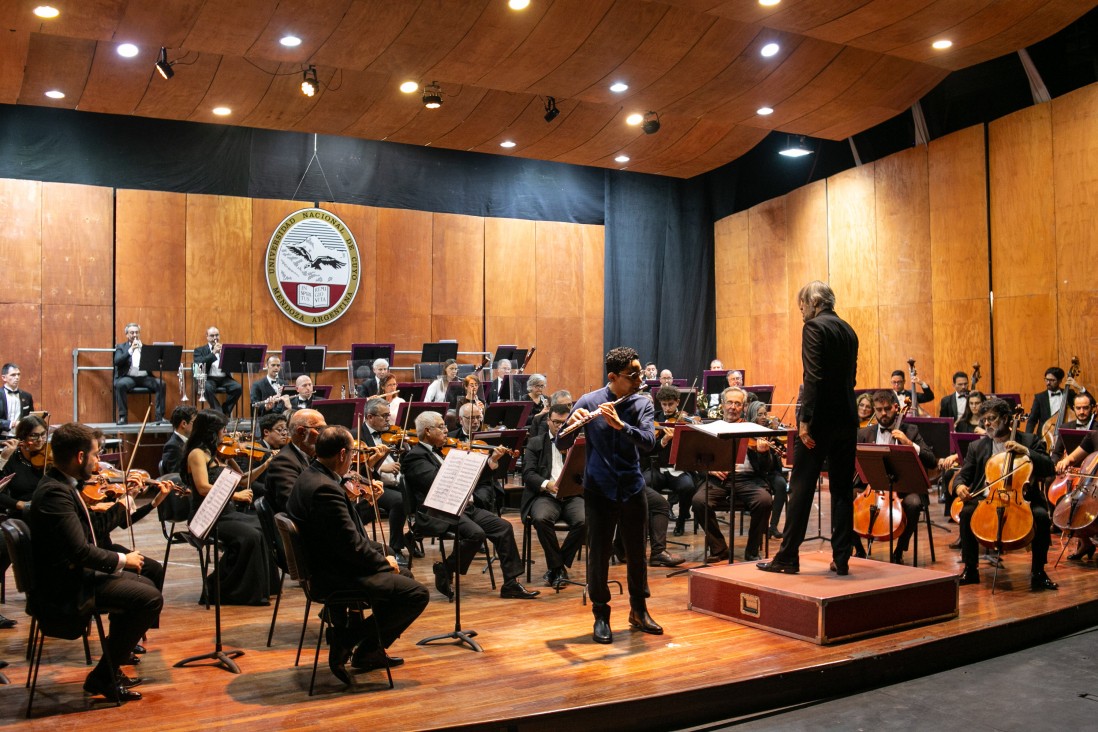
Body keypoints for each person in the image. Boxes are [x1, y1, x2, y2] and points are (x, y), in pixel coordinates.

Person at [27, 422, 162, 702]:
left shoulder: (63, 485)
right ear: (80, 457)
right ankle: (103, 676)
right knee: (149, 597)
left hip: (73, 576)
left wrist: (126, 501)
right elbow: (80, 550)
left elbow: (91, 529)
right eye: (96, 454)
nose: (99, 461)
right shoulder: (55, 493)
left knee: (147, 581)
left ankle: (110, 669)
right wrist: (122, 559)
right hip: (65, 588)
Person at [287, 425, 429, 685]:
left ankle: (369, 651)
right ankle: (347, 639)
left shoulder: (313, 475)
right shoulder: (324, 489)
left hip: (326, 562)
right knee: (416, 594)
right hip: (333, 574)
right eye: (352, 453)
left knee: (403, 575)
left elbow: (338, 533)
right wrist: (383, 562)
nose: (354, 459)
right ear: (342, 454)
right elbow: (351, 546)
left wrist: (385, 557)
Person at [557, 346, 661, 644]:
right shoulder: (590, 401)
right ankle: (601, 615)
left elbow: (649, 443)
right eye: (633, 374)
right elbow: (559, 442)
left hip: (632, 487)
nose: (640, 378)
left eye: (640, 372)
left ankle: (639, 611)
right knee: (599, 555)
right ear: (613, 376)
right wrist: (571, 425)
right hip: (599, 489)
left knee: (637, 553)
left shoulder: (641, 403)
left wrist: (621, 426)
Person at [759, 281, 858, 576]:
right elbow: (850, 379)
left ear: (814, 303)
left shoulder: (814, 328)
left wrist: (805, 421)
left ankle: (787, 557)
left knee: (801, 486)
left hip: (820, 421)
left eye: (801, 305)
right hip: (847, 418)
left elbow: (813, 376)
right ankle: (842, 558)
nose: (801, 311)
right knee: (842, 488)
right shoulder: (848, 329)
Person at [401, 410, 538, 601]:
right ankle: (447, 568)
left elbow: (470, 481)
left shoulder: (444, 451)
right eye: (441, 427)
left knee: (503, 527)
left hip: (464, 507)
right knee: (476, 534)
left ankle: (510, 584)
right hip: (439, 511)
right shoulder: (415, 457)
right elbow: (437, 483)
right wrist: (458, 463)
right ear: (427, 431)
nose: (446, 430)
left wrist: (491, 461)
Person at [954, 398, 1057, 591]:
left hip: (1021, 499)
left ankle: (1038, 572)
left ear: (1006, 419)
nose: (987, 423)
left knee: (1042, 517)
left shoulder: (1029, 440)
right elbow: (963, 476)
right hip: (988, 498)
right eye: (984, 420)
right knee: (967, 511)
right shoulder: (978, 447)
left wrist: (1026, 451)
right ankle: (970, 569)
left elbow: (1049, 468)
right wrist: (960, 487)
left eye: (991, 418)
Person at [182, 409, 275, 605]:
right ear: (211, 431)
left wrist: (266, 464)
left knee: (263, 525)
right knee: (250, 535)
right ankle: (220, 586)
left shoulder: (219, 453)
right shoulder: (197, 454)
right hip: (208, 515)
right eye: (223, 429)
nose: (226, 433)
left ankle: (264, 587)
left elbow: (243, 480)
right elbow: (202, 487)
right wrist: (235, 495)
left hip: (227, 512)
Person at [853, 390, 937, 565]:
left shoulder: (911, 431)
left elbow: (931, 461)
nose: (883, 414)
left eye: (887, 409)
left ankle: (899, 550)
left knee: (914, 504)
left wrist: (909, 443)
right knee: (843, 498)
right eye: (879, 410)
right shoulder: (864, 434)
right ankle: (858, 550)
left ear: (896, 407)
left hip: (903, 489)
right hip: (872, 487)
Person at [692, 387, 774, 563]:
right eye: (729, 402)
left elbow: (766, 468)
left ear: (744, 407)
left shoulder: (753, 429)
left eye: (737, 403)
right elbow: (696, 459)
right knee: (699, 502)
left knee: (764, 501)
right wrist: (709, 469)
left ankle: (752, 550)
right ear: (722, 405)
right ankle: (719, 548)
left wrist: (763, 453)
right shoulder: (711, 428)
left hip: (748, 479)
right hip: (719, 479)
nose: (733, 407)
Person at [522, 404, 586, 588]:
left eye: (563, 423)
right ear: (548, 421)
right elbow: (528, 473)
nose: (559, 426)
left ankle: (557, 567)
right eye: (556, 422)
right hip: (545, 495)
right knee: (541, 519)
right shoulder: (535, 442)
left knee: (585, 520)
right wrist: (547, 484)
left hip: (572, 495)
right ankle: (559, 568)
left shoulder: (577, 443)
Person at [360, 397, 409, 562]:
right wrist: (379, 469)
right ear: (369, 417)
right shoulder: (357, 435)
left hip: (398, 482)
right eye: (384, 416)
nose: (388, 419)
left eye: (389, 415)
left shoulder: (393, 434)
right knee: (399, 501)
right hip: (374, 485)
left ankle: (412, 537)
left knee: (424, 495)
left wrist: (406, 448)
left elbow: (405, 459)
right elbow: (355, 470)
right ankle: (396, 548)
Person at [649, 385, 697, 537]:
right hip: (659, 469)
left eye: (670, 404)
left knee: (688, 487)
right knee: (643, 484)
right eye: (664, 404)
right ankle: (650, 524)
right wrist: (663, 440)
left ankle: (681, 520)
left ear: (677, 402)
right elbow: (650, 448)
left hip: (679, 469)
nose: (667, 408)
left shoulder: (685, 420)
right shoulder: (654, 420)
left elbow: (694, 446)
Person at [264, 408, 326, 514]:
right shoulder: (283, 462)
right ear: (301, 432)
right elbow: (292, 505)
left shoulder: (313, 456)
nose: (325, 434)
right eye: (319, 429)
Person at [113, 323, 166, 424]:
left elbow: (154, 364)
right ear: (127, 335)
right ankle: (123, 417)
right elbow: (117, 361)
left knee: (161, 384)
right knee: (120, 385)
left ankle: (159, 417)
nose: (134, 335)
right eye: (132, 332)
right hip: (129, 377)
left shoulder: (145, 347)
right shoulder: (121, 347)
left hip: (144, 378)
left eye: (136, 332)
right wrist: (130, 350)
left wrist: (144, 351)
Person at [0, 414, 48, 518]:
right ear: (22, 437)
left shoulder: (50, 455)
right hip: (23, 514)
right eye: (34, 435)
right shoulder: (12, 459)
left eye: (43, 434)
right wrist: (20, 504)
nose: (40, 440)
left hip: (50, 508)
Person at [191, 326, 242, 416]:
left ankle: (225, 410)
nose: (215, 338)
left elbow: (232, 364)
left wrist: (226, 354)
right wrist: (213, 353)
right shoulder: (199, 350)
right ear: (207, 337)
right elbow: (199, 364)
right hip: (209, 378)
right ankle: (218, 412)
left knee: (238, 387)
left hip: (224, 378)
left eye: (217, 335)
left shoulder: (224, 349)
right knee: (206, 388)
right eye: (212, 336)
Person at [1025, 366, 1083, 434]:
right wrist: (1028, 439)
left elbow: (1091, 402)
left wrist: (1079, 388)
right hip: (1045, 437)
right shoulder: (1039, 398)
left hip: (1066, 435)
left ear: (1060, 381)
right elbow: (1032, 420)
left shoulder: (1069, 394)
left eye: (1052, 380)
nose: (1048, 383)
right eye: (1046, 379)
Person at [248, 412, 289, 504]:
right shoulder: (253, 450)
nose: (285, 433)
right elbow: (250, 482)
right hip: (260, 501)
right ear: (266, 432)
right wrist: (274, 490)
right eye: (280, 430)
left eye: (286, 430)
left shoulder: (282, 448)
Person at [250, 354, 292, 419]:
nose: (276, 368)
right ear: (266, 366)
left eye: (278, 365)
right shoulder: (257, 385)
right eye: (273, 365)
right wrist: (266, 407)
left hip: (283, 418)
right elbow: (254, 405)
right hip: (266, 419)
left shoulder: (285, 383)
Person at [159, 405, 196, 476]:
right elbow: (177, 477)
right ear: (184, 424)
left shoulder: (191, 441)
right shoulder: (172, 447)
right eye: (194, 422)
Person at [0, 363, 34, 438]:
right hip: (1, 437)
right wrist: (12, 423)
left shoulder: (27, 396)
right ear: (4, 378)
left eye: (18, 374)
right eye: (13, 375)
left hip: (20, 437)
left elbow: (30, 417)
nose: (17, 377)